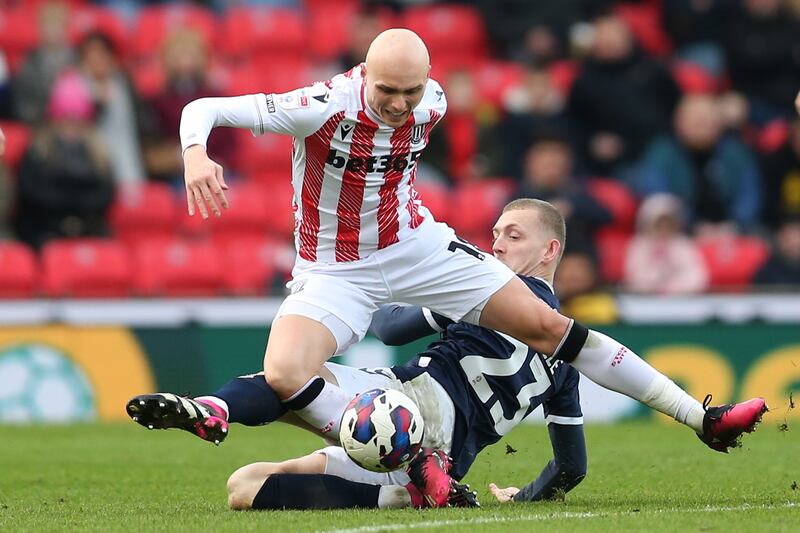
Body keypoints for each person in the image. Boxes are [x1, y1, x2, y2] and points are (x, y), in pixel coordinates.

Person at [170, 29, 764, 466]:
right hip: (336, 266)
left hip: (418, 245)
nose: (401, 104)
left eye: (411, 90)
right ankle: (413, 461)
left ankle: (700, 417)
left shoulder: (435, 100)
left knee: (549, 327)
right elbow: (204, 107)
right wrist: (197, 152)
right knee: (284, 372)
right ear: (363, 75)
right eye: (387, 91)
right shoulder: (323, 105)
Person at [130, 200, 767, 511]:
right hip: (425, 442)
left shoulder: (478, 297)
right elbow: (572, 466)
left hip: (406, 406)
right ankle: (414, 482)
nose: (495, 246)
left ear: (549, 252)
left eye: (511, 237)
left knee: (292, 373)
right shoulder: (565, 360)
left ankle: (216, 406)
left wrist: (425, 289)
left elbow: (396, 324)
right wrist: (525, 498)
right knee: (244, 488)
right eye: (492, 236)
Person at [13, 71, 115, 249]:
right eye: (66, 122)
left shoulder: (98, 153)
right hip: (44, 231)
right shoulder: (39, 150)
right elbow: (30, 192)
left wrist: (75, 214)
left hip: (89, 229)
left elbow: (106, 195)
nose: (71, 130)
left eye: (77, 123)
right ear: (55, 121)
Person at [623, 193, 709, 294]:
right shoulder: (639, 245)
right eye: (659, 224)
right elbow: (634, 277)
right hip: (645, 300)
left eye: (668, 224)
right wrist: (656, 282)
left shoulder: (683, 244)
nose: (664, 229)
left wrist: (674, 287)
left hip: (679, 300)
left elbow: (697, 276)